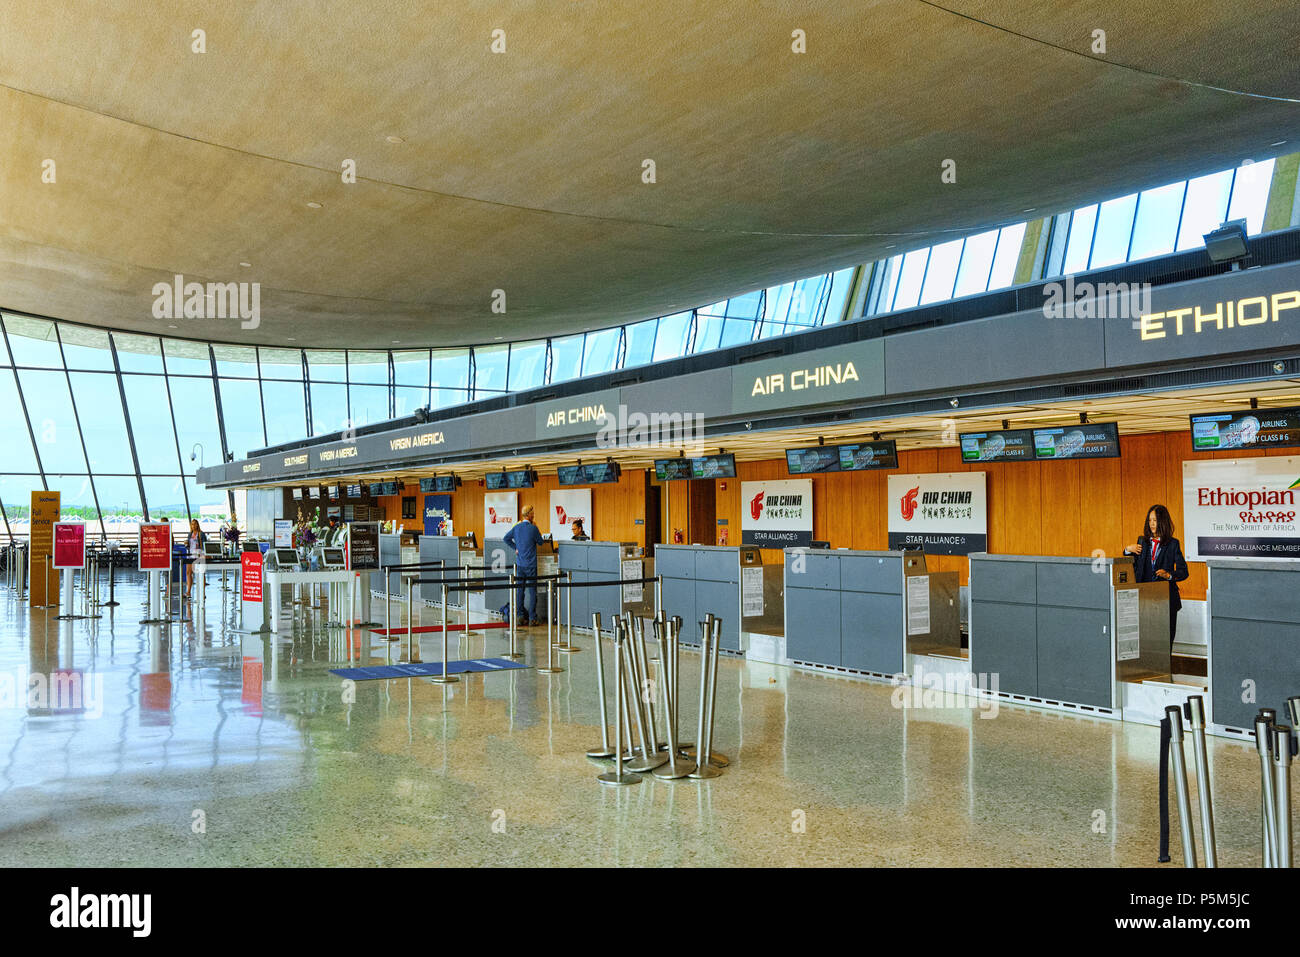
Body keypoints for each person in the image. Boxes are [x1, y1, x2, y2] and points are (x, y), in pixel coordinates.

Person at [1123, 504, 1189, 650]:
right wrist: (1127, 550)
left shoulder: (1173, 544)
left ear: (1163, 521)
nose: (1152, 524)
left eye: (1155, 520)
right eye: (1150, 520)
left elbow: (1184, 571)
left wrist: (1169, 575)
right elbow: (1133, 565)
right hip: (1144, 599)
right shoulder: (1142, 541)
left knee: (1165, 640)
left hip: (1167, 599)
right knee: (1146, 640)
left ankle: (1166, 665)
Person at [503, 505, 545, 626]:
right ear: (529, 515)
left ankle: (520, 616)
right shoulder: (533, 528)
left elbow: (506, 538)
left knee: (520, 591)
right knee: (532, 592)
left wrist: (515, 547)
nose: (534, 515)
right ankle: (532, 618)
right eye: (533, 513)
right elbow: (541, 542)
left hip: (520, 564)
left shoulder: (517, 527)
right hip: (531, 565)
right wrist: (536, 527)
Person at [184, 518, 205, 598]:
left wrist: (204, 554)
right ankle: (188, 591)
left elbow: (204, 545)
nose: (193, 525)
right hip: (190, 554)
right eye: (192, 524)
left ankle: (202, 592)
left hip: (199, 554)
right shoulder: (190, 534)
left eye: (195, 524)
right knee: (188, 572)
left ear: (197, 525)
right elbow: (189, 545)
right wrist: (186, 544)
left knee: (201, 573)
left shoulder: (201, 534)